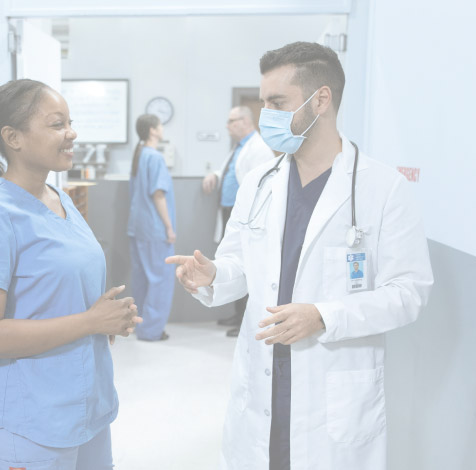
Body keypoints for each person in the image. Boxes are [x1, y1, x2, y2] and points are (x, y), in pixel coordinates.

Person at [167, 42, 433, 470]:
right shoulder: (259, 183)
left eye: (276, 102)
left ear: (321, 100)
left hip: (332, 390)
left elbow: (409, 292)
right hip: (263, 380)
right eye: (263, 102)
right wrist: (213, 274)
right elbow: (242, 266)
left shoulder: (383, 189)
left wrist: (323, 315)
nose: (264, 115)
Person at [0, 79, 142, 470]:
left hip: (86, 408)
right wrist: (90, 321)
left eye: (70, 122)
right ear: (13, 137)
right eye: (57, 124)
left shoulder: (61, 199)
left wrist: (106, 320)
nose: (71, 133)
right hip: (30, 421)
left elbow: (59, 292)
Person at [202, 106, 274, 337]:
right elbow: (231, 169)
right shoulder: (240, 147)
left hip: (246, 216)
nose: (227, 125)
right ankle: (236, 313)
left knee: (245, 263)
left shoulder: (259, 149)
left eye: (232, 121)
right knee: (231, 258)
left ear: (245, 122)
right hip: (230, 212)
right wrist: (214, 174)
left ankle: (244, 318)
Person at [127, 113, 176, 341]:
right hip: (154, 228)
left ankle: (142, 326)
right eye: (159, 125)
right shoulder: (154, 157)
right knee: (160, 280)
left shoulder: (139, 155)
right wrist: (169, 227)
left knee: (143, 279)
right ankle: (152, 331)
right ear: (153, 130)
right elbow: (158, 195)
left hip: (138, 227)